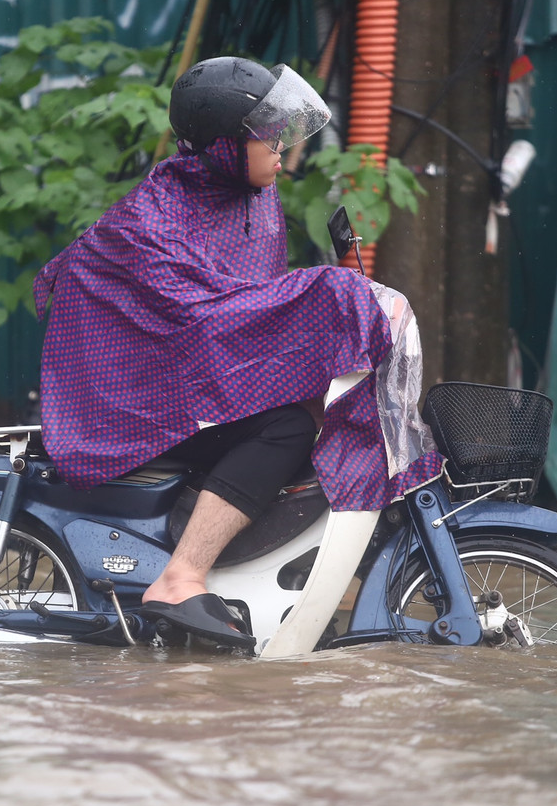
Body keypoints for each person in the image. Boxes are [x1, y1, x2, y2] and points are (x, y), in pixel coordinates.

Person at [33, 57, 434, 646]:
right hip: (128, 402)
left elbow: (247, 306)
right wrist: (328, 295)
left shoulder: (251, 202)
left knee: (313, 418)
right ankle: (181, 576)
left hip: (191, 384)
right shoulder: (152, 223)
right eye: (267, 136)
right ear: (225, 147)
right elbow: (211, 323)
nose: (283, 150)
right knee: (287, 430)